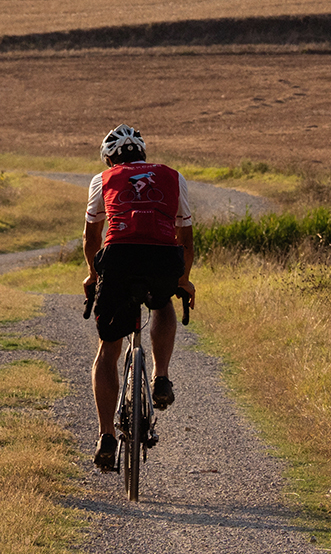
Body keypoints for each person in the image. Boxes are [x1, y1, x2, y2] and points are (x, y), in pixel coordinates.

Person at [82, 123, 196, 471]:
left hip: (119, 258)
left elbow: (91, 238)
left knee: (108, 348)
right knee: (163, 304)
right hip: (163, 257)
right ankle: (160, 377)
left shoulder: (102, 180)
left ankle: (105, 436)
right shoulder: (173, 177)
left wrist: (93, 274)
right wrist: (184, 280)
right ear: (143, 154)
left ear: (109, 158)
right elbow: (186, 238)